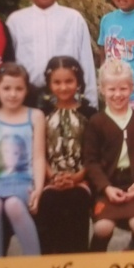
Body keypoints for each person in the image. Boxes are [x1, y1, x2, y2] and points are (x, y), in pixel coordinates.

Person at [0, 63, 46, 257]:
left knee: (14, 205)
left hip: (24, 181)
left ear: (26, 89)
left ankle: (35, 261)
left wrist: (38, 189)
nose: (13, 94)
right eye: (7, 88)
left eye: (19, 89)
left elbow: (38, 157)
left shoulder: (35, 116)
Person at [83, 60, 134, 252]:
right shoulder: (96, 122)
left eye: (123, 88)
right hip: (108, 186)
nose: (117, 94)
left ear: (132, 88)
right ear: (102, 90)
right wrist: (106, 187)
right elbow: (91, 161)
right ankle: (93, 260)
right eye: (111, 89)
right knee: (103, 227)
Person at [6, 0, 98, 108]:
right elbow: (10, 63)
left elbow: (86, 62)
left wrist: (91, 103)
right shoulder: (16, 21)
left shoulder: (73, 19)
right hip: (28, 98)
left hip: (66, 97)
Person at [37, 56, 97, 254]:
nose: (63, 87)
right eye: (57, 82)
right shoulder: (42, 113)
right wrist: (53, 176)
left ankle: (78, 259)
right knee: (49, 202)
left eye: (69, 81)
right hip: (50, 178)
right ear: (49, 84)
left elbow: (93, 153)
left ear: (78, 82)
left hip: (82, 177)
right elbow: (39, 151)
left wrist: (77, 177)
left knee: (76, 200)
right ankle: (50, 260)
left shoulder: (89, 113)